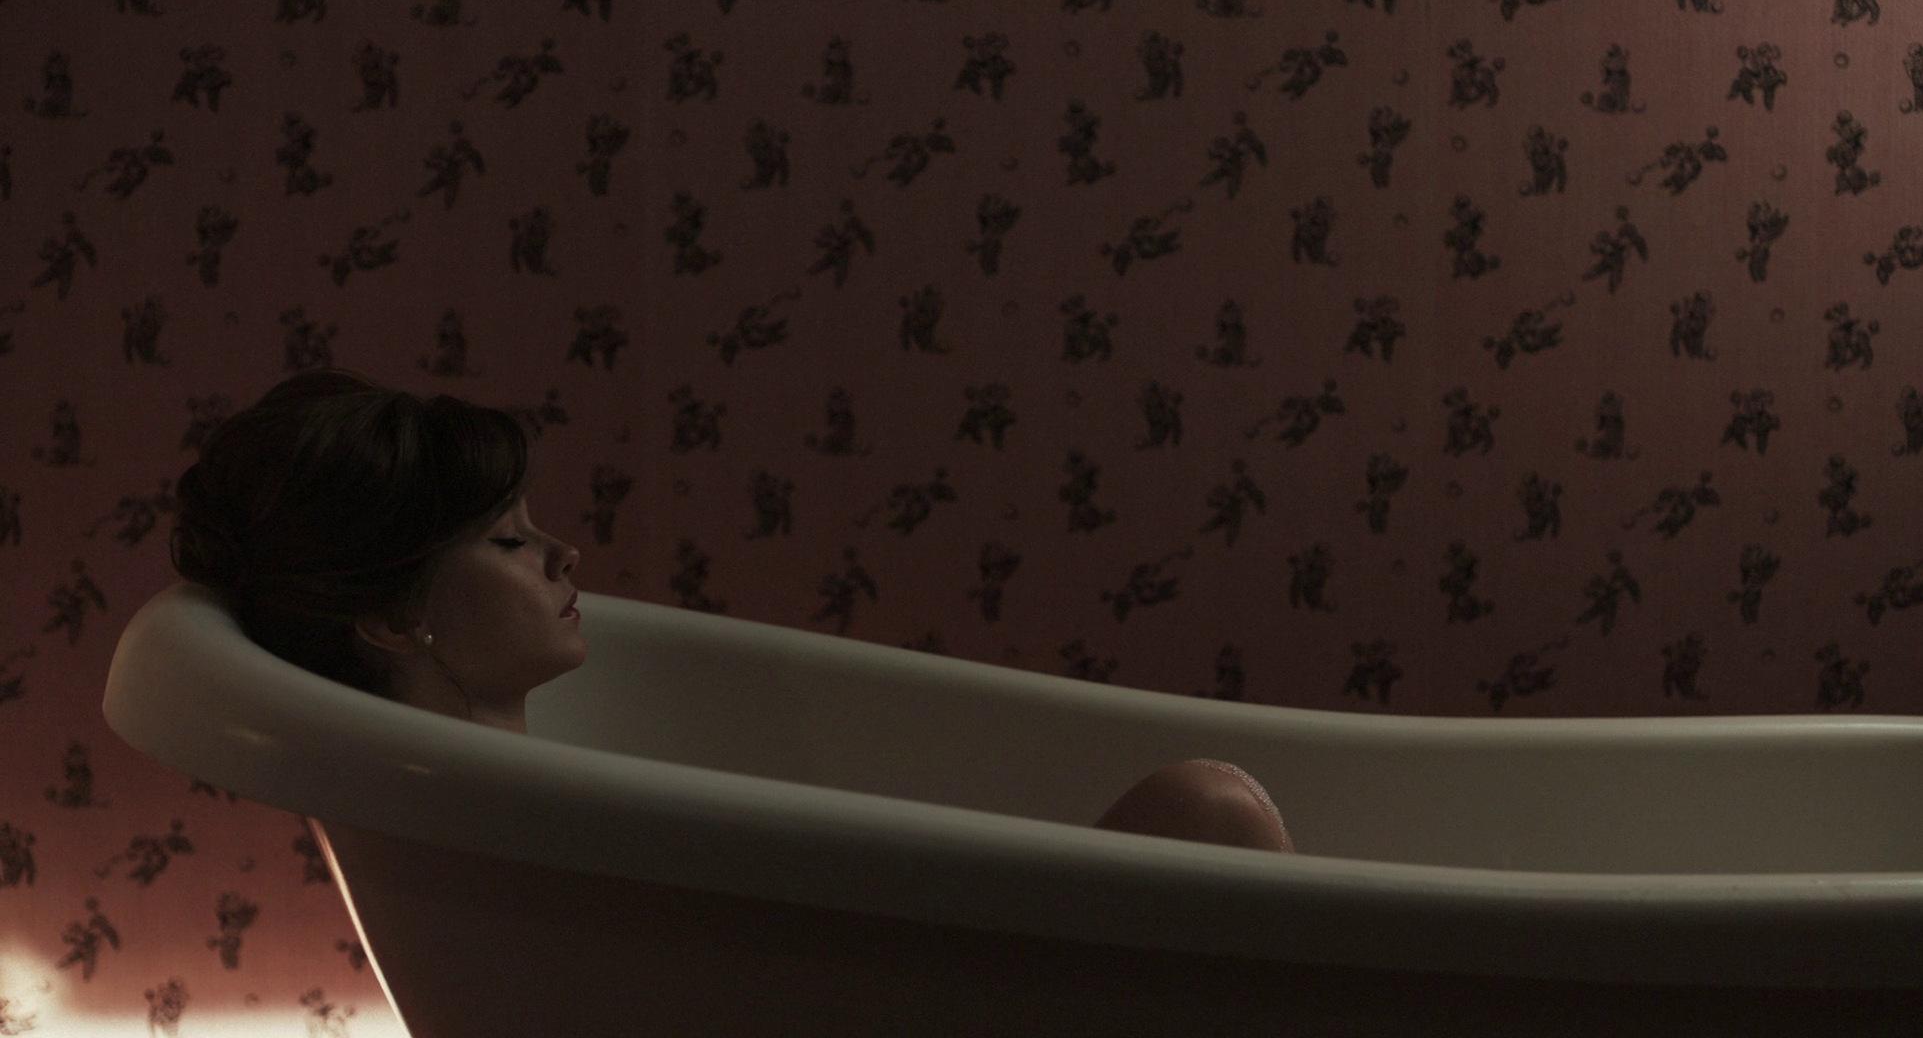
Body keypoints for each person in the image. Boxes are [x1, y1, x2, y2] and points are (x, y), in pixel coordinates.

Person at [170, 368, 1294, 853]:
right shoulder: (522, 830)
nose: (564, 554)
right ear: (387, 615)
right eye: (510, 541)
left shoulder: (544, 810)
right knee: (1206, 812)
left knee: (1207, 807)